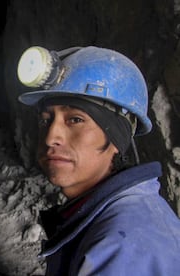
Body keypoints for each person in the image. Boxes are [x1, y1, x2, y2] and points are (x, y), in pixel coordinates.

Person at [16, 46, 180, 275]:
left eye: (75, 119)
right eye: (45, 121)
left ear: (116, 138)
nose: (51, 137)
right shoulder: (108, 208)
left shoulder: (124, 248)